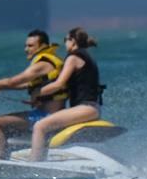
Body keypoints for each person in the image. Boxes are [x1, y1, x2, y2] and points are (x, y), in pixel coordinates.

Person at [0, 30, 66, 159]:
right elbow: (25, 85)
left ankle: (1, 160)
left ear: (43, 46)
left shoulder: (43, 64)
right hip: (46, 114)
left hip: (45, 116)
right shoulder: (49, 63)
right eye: (26, 46)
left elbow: (12, 81)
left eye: (31, 46)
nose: (26, 49)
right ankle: (16, 155)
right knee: (8, 125)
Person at [28, 27, 101, 161]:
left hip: (85, 108)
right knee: (49, 127)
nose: (64, 43)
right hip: (91, 108)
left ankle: (34, 163)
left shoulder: (73, 57)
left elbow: (59, 84)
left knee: (40, 126)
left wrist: (36, 94)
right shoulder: (86, 56)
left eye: (65, 40)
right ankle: (46, 156)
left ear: (72, 41)